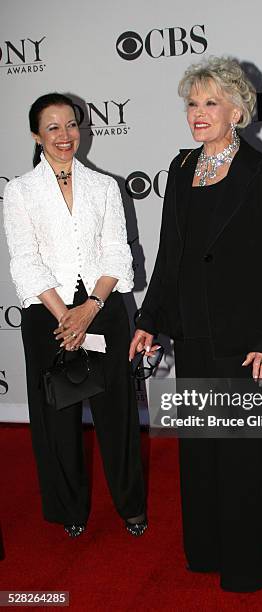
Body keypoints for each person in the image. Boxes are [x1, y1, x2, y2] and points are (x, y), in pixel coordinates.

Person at [129, 57, 262, 591]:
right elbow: (170, 254)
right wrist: (150, 319)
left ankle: (252, 560)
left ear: (237, 111)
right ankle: (206, 551)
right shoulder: (182, 169)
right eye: (191, 103)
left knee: (244, 458)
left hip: (247, 342)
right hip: (195, 335)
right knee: (202, 451)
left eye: (209, 103)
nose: (197, 114)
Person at [3, 93, 146, 538]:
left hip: (102, 309)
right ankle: (70, 508)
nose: (65, 136)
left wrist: (91, 309)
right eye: (53, 128)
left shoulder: (104, 186)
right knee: (57, 420)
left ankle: (130, 505)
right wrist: (66, 316)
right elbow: (24, 260)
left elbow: (117, 255)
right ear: (36, 135)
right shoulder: (19, 191)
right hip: (49, 315)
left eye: (71, 125)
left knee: (117, 413)